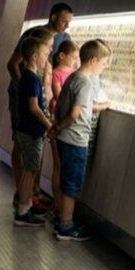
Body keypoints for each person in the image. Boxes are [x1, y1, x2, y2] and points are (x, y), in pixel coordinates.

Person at [5, 3, 74, 211]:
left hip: (42, 97)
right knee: (21, 142)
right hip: (27, 95)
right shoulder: (33, 35)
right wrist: (26, 90)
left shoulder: (64, 39)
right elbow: (12, 64)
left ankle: (32, 192)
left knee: (37, 144)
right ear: (53, 17)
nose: (67, 26)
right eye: (64, 21)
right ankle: (22, 194)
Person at [49, 39, 112, 241]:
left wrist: (57, 126)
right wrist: (61, 125)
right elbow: (76, 113)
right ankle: (66, 226)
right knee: (72, 183)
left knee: (65, 178)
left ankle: (61, 217)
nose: (104, 67)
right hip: (75, 139)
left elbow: (61, 105)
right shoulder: (85, 83)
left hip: (64, 138)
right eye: (103, 63)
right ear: (93, 61)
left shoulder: (73, 77)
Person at [13, 36, 55, 227]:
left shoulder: (30, 77)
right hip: (31, 132)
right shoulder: (31, 79)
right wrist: (48, 125)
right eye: (46, 54)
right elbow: (33, 107)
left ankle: (25, 205)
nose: (48, 57)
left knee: (28, 170)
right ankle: (23, 211)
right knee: (30, 171)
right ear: (35, 56)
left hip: (27, 130)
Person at [49, 40, 79, 213]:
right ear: (62, 56)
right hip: (58, 118)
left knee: (64, 167)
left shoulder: (75, 74)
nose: (76, 61)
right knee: (58, 165)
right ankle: (57, 203)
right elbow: (58, 96)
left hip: (68, 122)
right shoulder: (56, 73)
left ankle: (63, 205)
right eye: (73, 57)